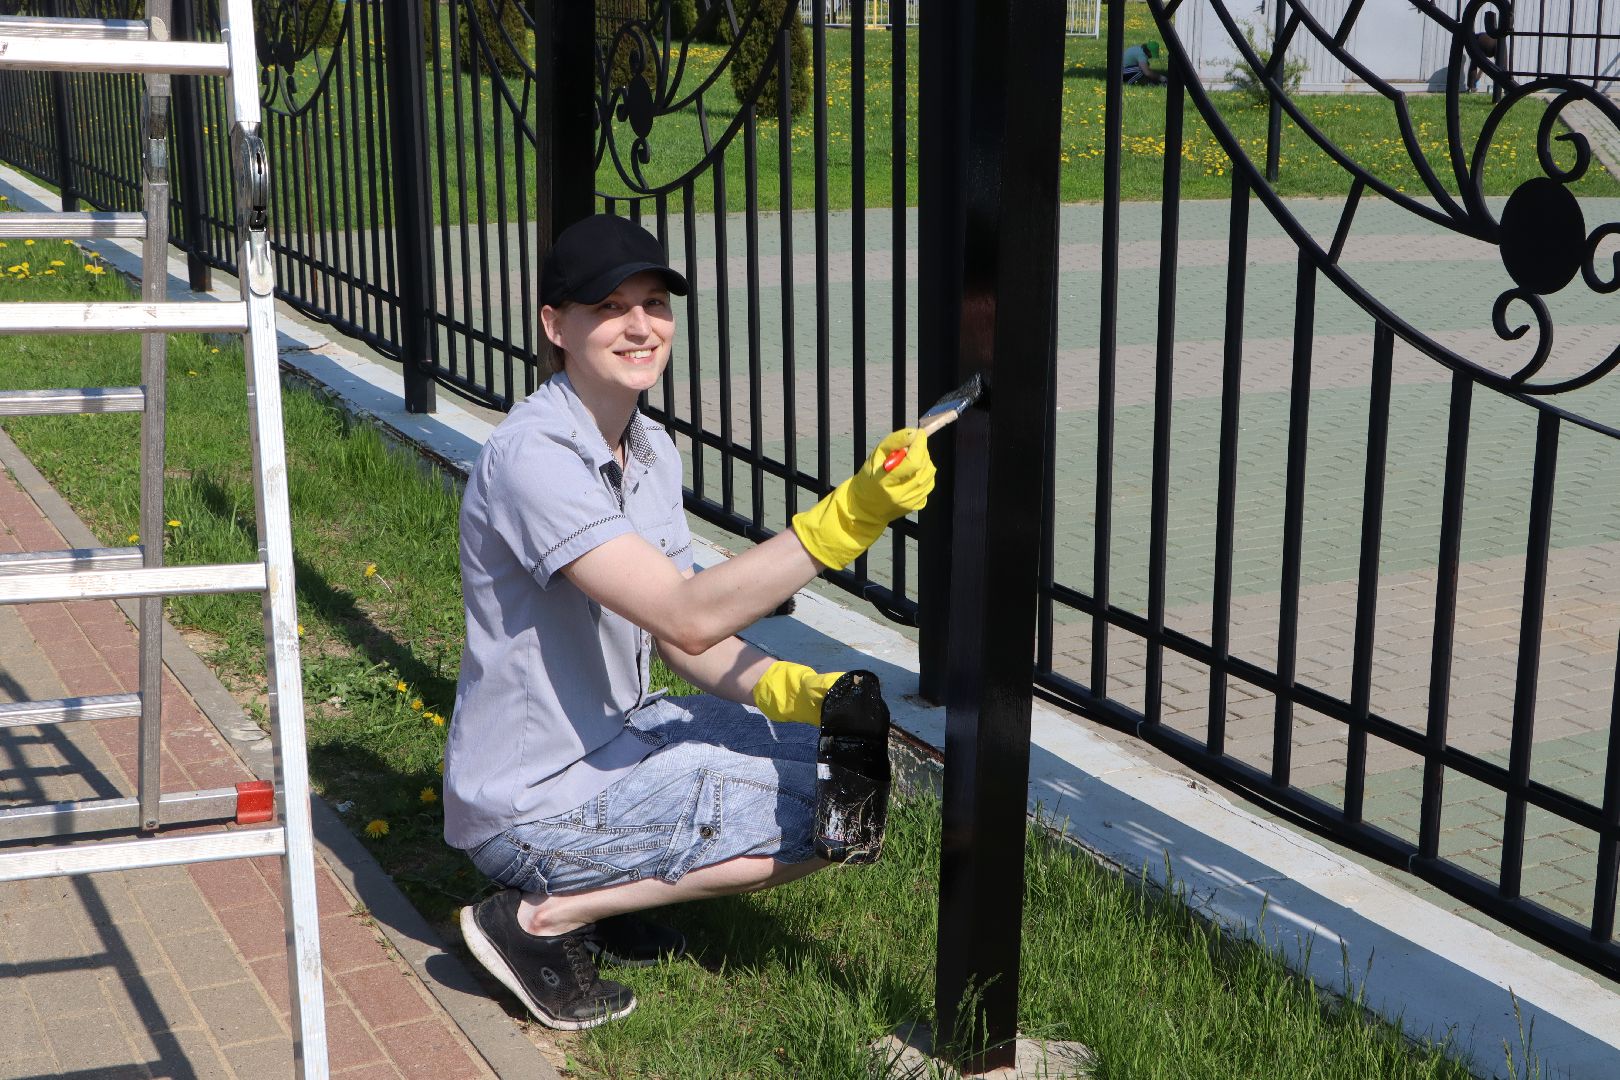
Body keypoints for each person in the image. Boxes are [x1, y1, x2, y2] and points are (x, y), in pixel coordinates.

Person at [445, 213, 937, 1030]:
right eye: (610, 306)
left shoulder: (648, 449)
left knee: (838, 749)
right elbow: (686, 608)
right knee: (841, 803)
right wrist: (847, 519)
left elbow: (682, 641)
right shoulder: (534, 457)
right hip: (529, 805)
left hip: (615, 740)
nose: (641, 326)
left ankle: (601, 891)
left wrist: (789, 690)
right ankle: (541, 919)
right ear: (555, 325)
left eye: (654, 302)